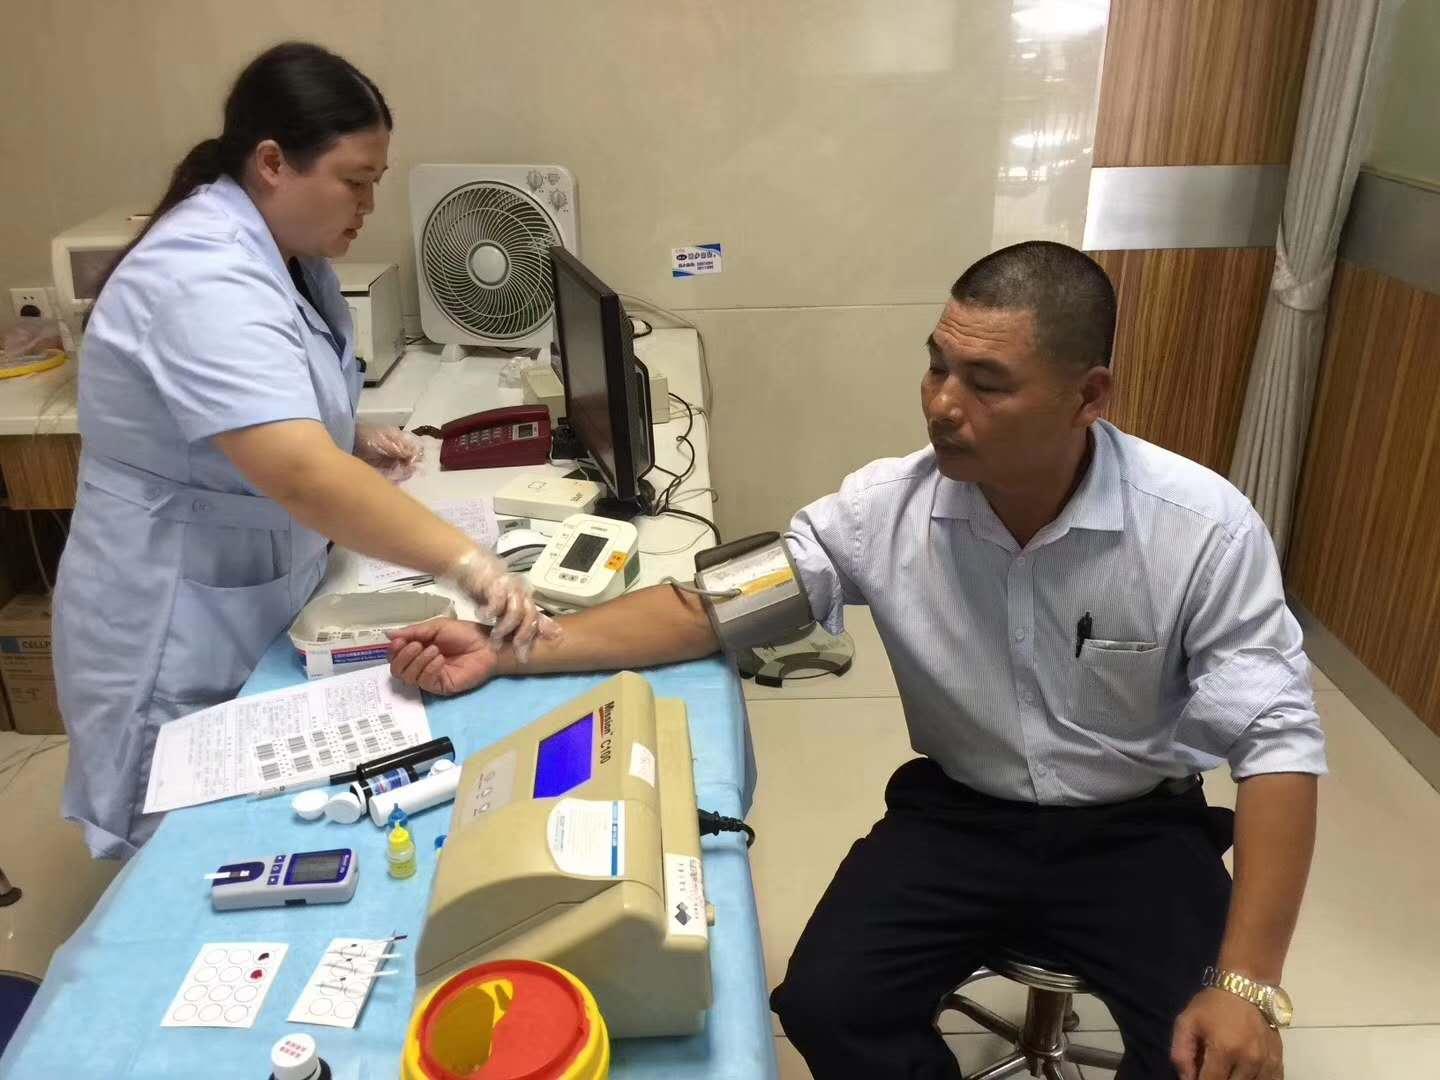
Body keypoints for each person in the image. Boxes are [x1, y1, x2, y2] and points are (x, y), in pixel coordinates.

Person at [387, 242, 1325, 1080]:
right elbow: (704, 610)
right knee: (826, 1005)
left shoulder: (1199, 530)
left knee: (1213, 1057)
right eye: (937, 366)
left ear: (1088, 397)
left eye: (987, 383)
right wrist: (513, 648)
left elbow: (1278, 746)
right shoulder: (885, 510)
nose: (944, 405)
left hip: (1136, 828)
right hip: (964, 813)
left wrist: (1248, 985)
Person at [53, 42, 555, 860]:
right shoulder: (200, 272)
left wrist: (342, 432)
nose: (367, 205)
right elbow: (298, 472)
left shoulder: (291, 262)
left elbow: (263, 398)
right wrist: (469, 564)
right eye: (354, 181)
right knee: (185, 840)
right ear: (272, 163)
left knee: (271, 806)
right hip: (173, 606)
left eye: (376, 183)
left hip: (259, 576)